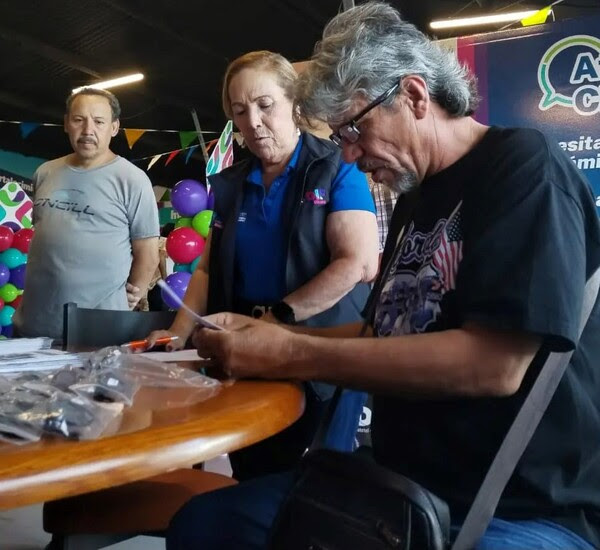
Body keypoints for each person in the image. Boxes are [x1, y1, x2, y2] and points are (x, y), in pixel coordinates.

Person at [166, 3, 600, 550]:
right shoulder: (415, 198)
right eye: (340, 136)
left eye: (354, 128)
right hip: (398, 488)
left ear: (414, 96)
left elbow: (495, 365)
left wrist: (288, 353)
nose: (349, 154)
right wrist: (272, 334)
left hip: (515, 506)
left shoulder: (524, 169)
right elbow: (380, 331)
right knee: (203, 524)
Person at [147, 51, 379, 480]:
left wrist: (275, 320)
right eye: (240, 111)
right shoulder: (233, 183)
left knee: (310, 489)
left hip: (320, 353)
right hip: (247, 354)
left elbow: (358, 264)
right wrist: (176, 335)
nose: (252, 121)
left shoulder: (337, 168)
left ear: (294, 102)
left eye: (264, 105)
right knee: (252, 474)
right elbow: (206, 271)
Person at [14, 88, 159, 339]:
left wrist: (128, 300)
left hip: (97, 332)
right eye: (78, 119)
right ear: (66, 124)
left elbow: (148, 254)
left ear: (114, 127)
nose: (88, 130)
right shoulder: (45, 172)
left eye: (99, 121)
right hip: (33, 325)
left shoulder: (132, 180)